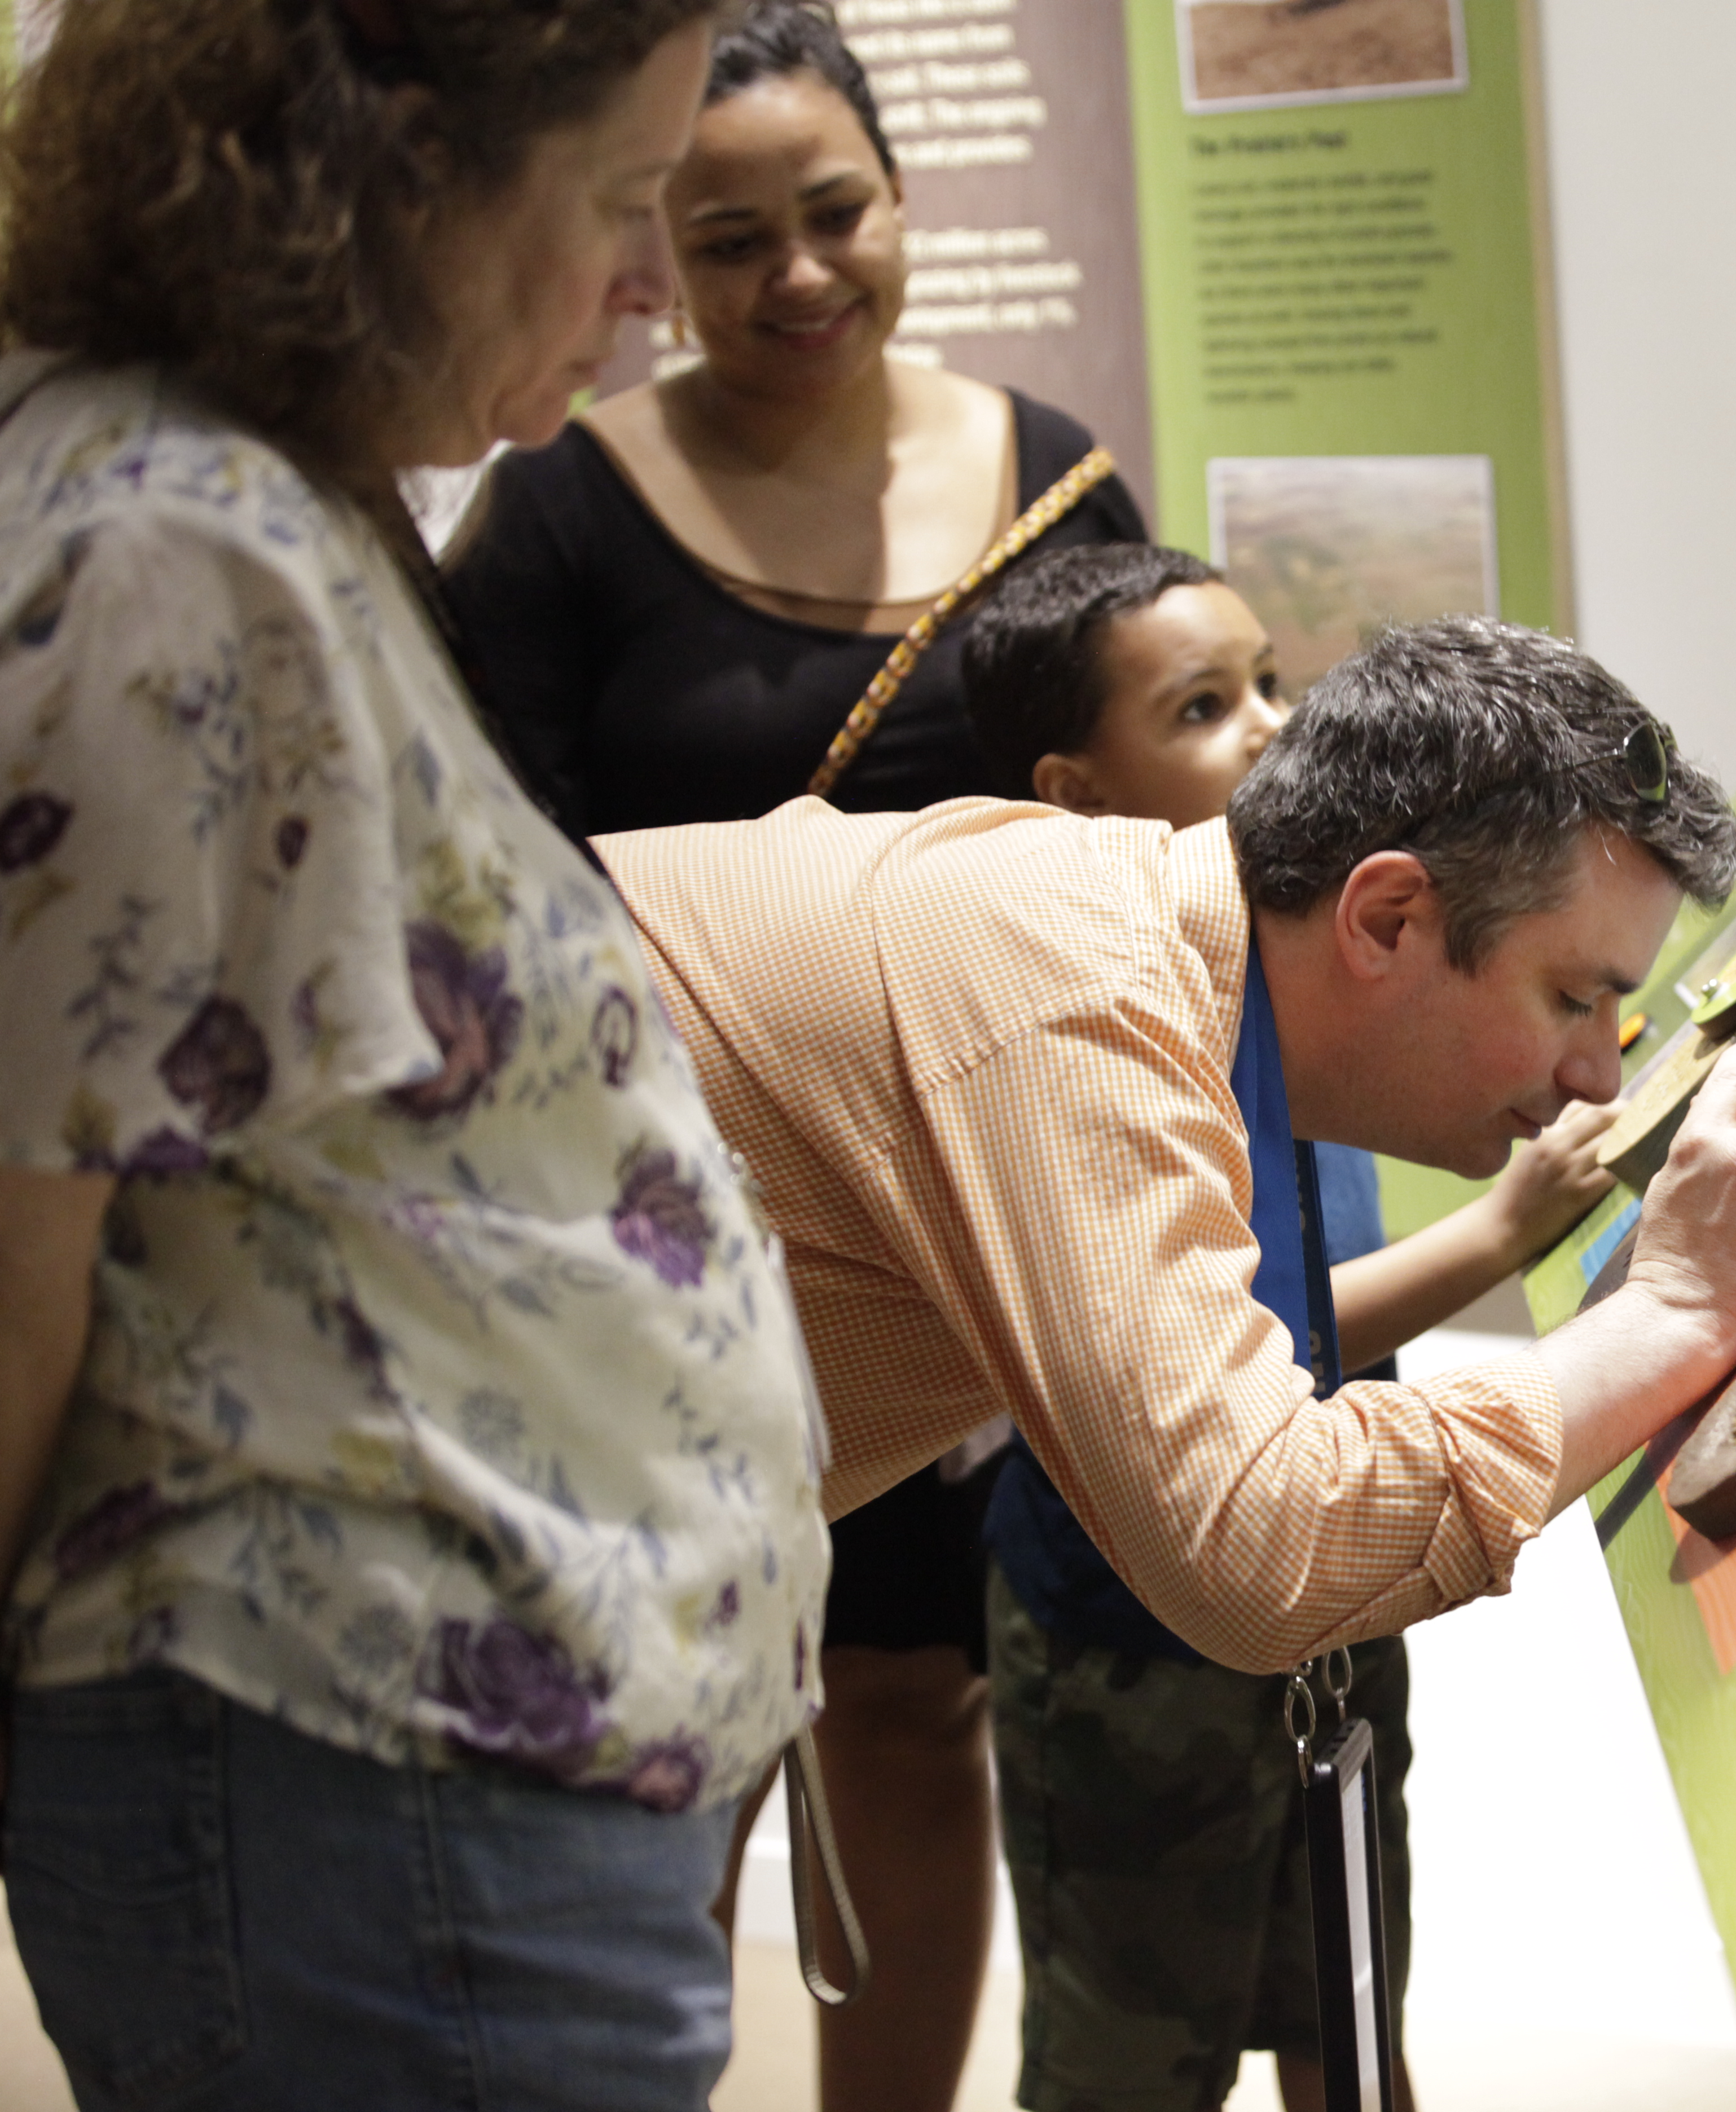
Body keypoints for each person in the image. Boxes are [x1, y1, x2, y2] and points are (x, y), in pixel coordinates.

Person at [0, 5, 829, 2110]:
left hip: (430, 1804)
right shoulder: (168, 549)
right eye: (627, 204)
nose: (656, 285)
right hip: (357, 1794)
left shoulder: (259, 491)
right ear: (388, 172)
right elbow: (14, 1255)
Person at [439, 8, 1151, 2104]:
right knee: (669, 1726)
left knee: (920, 1703)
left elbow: (1135, 816)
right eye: (723, 234)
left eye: (833, 212)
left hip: (944, 1231)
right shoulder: (562, 514)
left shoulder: (1053, 476)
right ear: (652, 246)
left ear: (901, 196)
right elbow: (484, 888)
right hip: (646, 1250)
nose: (796, 276)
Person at [595, 610, 1736, 1677]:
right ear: (1388, 917)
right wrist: (1681, 1309)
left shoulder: (1133, 949)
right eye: (1572, 998)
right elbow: (1266, 1544)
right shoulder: (1075, 986)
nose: (1598, 1073)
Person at [959, 545, 1621, 2111]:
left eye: (1269, 682)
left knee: (1350, 2000)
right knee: (1128, 2060)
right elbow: (1254, 1331)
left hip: (1319, 1592)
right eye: (1202, 706)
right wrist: (1502, 1239)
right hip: (1137, 1648)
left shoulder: (1289, 953)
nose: (1267, 728)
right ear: (1074, 790)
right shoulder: (1097, 1031)